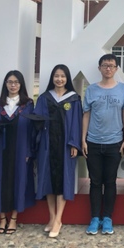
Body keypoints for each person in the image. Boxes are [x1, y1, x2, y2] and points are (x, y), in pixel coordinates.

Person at [0, 70, 36, 235]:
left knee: (19, 181)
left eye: (16, 82)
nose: (13, 85)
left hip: (20, 149)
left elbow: (32, 130)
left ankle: (13, 218)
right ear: (5, 84)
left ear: (21, 84)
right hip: (0, 149)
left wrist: (29, 150)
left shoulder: (28, 105)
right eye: (10, 82)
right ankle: (2, 219)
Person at [82, 54, 124, 235]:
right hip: (93, 142)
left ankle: (108, 218)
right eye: (105, 65)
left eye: (111, 65)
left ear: (116, 68)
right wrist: (83, 139)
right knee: (95, 182)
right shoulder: (91, 90)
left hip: (114, 142)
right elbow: (86, 114)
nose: (108, 68)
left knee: (110, 181)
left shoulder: (123, 90)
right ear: (99, 68)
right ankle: (95, 218)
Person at [33, 64, 82, 238]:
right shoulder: (44, 98)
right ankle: (52, 217)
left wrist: (74, 144)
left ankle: (59, 219)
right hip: (47, 145)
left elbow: (77, 123)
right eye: (56, 76)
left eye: (62, 76)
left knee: (62, 181)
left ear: (67, 78)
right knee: (47, 180)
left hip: (65, 146)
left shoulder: (74, 99)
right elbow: (37, 121)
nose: (59, 79)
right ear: (52, 78)